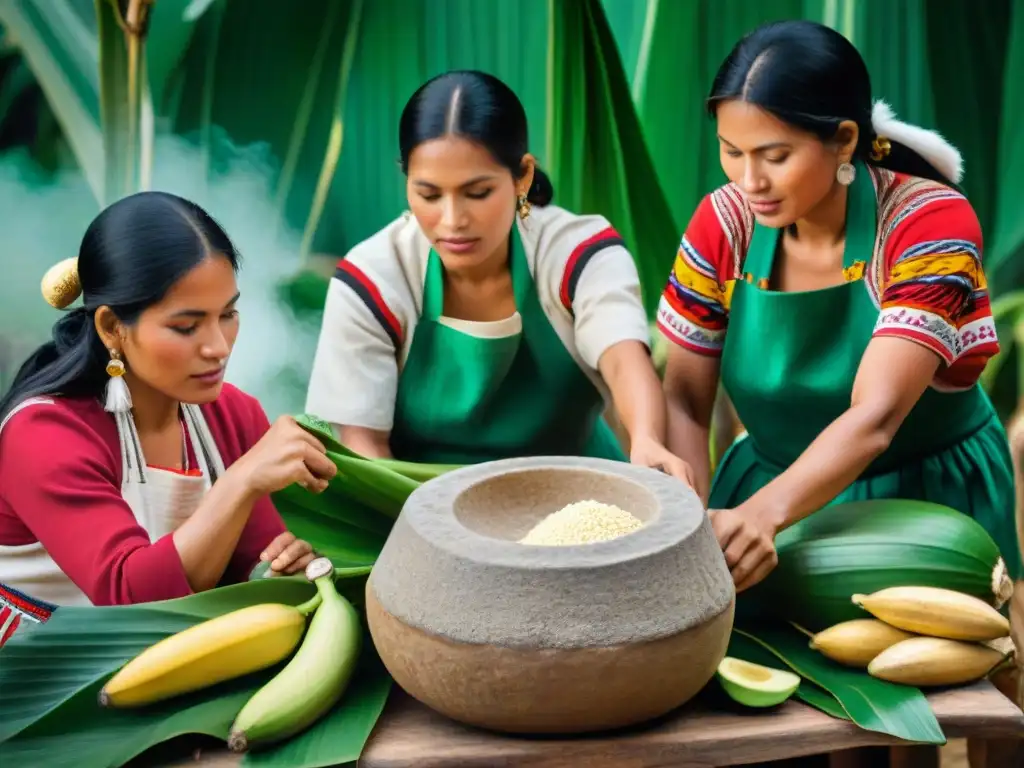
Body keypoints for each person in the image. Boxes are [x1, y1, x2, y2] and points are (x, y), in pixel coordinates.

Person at [658, 19, 1022, 594]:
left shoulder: (929, 224)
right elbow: (683, 400)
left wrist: (765, 515)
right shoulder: (722, 223)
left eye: (775, 155)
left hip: (923, 506)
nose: (750, 180)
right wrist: (684, 527)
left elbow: (874, 417)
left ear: (845, 140)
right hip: (760, 490)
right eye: (732, 152)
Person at [305, 70, 694, 485]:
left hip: (578, 491)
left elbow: (623, 360)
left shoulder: (575, 254)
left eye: (477, 193)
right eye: (429, 195)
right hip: (417, 501)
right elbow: (364, 444)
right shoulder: (374, 278)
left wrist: (648, 440)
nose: (452, 221)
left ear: (522, 176)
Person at [0, 191, 336, 645]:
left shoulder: (232, 415)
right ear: (111, 327)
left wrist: (284, 564)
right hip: (41, 680)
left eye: (229, 314)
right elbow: (128, 596)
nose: (218, 346)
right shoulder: (42, 436)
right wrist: (240, 481)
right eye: (186, 326)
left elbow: (257, 563)